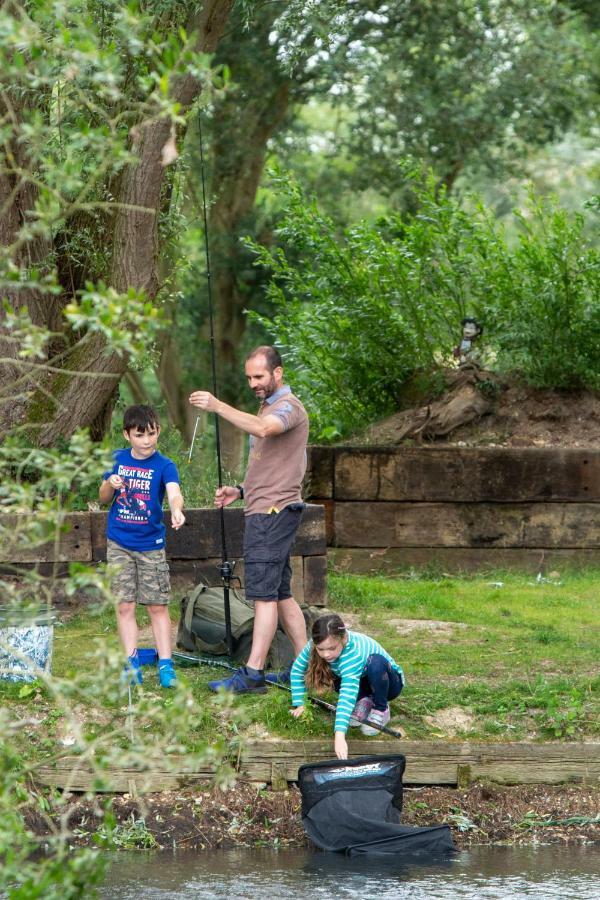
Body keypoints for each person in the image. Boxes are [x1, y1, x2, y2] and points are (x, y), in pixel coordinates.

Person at [189, 345, 309, 693]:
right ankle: (304, 667)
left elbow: (262, 429)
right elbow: (274, 463)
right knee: (280, 592)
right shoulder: (268, 404)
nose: (253, 383)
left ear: (277, 373)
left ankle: (253, 673)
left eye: (259, 376)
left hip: (273, 515)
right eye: (249, 377)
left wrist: (216, 405)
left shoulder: (288, 407)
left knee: (263, 596)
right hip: (265, 509)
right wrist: (240, 490)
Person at [99, 404, 185, 688]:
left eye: (152, 433)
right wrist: (110, 483)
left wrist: (176, 510)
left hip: (151, 545)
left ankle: (165, 664)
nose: (147, 440)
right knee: (124, 606)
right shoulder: (117, 460)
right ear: (127, 435)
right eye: (140, 435)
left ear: (158, 431)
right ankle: (131, 661)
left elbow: (174, 493)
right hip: (119, 543)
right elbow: (101, 497)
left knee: (157, 607)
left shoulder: (164, 465)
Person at [290, 613, 405, 760]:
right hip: (363, 682)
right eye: (321, 649)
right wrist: (301, 704)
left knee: (375, 663)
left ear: (343, 639)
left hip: (389, 684)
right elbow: (297, 670)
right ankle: (364, 701)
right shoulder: (314, 645)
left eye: (332, 648)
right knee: (335, 676)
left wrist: (339, 736)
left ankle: (381, 708)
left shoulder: (353, 652)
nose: (326, 654)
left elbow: (347, 693)